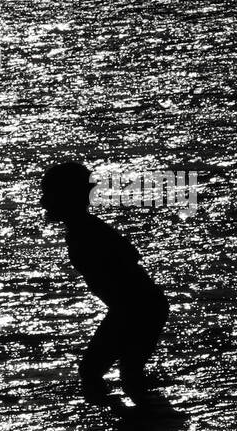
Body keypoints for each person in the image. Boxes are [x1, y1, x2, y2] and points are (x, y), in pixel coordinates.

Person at [40, 161, 169, 407]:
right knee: (118, 375)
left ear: (67, 197)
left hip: (137, 308)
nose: (44, 203)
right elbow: (129, 255)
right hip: (135, 307)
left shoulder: (86, 231)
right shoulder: (83, 229)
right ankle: (139, 425)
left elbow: (127, 258)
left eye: (49, 195)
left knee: (105, 373)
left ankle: (138, 427)